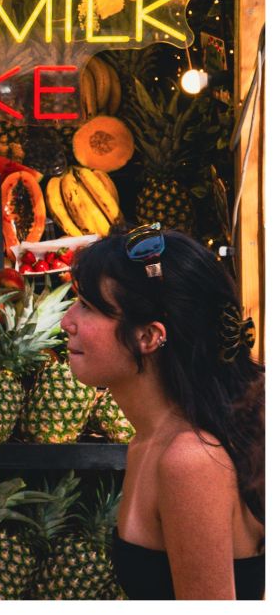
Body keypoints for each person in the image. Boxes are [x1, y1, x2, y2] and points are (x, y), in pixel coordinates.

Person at [61, 224, 264, 600]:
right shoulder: (149, 438)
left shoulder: (189, 460)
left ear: (148, 336)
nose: (66, 322)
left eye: (87, 306)